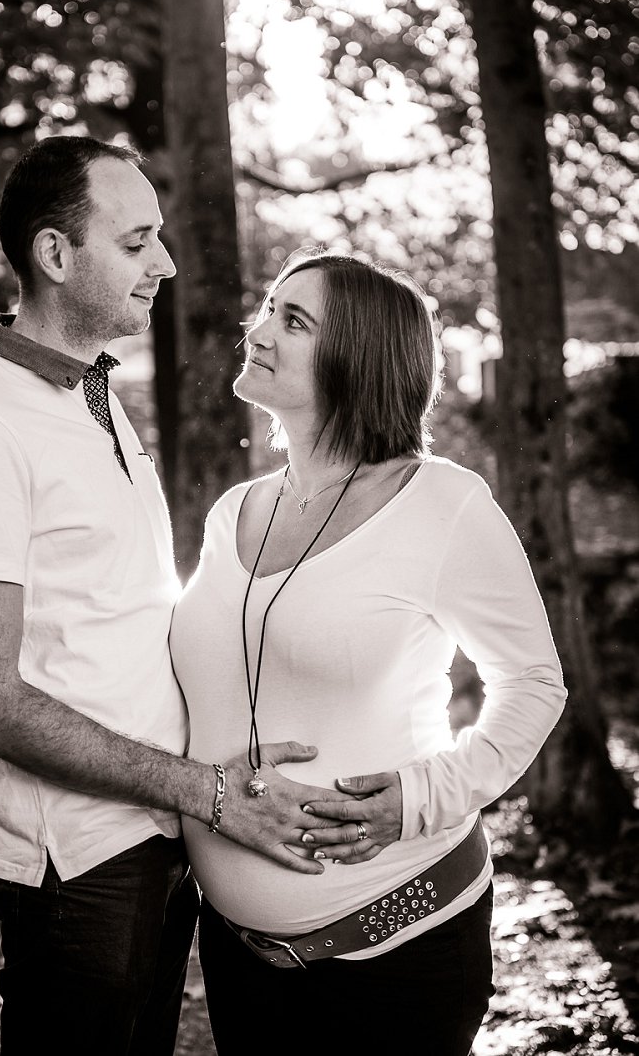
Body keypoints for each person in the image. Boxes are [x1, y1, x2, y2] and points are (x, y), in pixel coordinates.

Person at [0, 136, 361, 1055]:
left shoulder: (93, 395)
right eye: (137, 241)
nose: (167, 263)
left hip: (157, 833)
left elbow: (119, 622)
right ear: (55, 254)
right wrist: (204, 789)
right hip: (76, 864)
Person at [169, 251, 568, 1055]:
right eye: (268, 310)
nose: (259, 330)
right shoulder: (233, 511)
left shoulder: (442, 503)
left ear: (357, 358)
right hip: (237, 958)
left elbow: (533, 683)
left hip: (396, 954)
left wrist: (421, 797)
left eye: (293, 320)